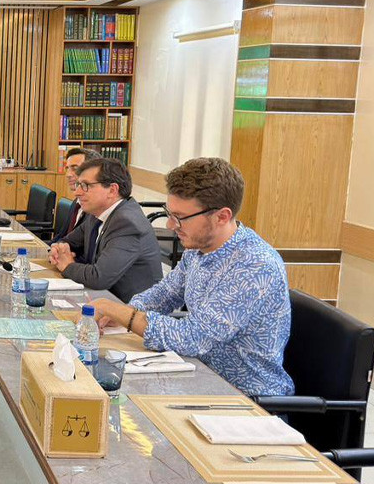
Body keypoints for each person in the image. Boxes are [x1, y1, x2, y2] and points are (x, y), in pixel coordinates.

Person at [90, 158, 294, 397]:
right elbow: (166, 293)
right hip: (200, 377)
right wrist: (127, 311)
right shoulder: (199, 249)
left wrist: (119, 312)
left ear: (221, 216)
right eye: (170, 213)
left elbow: (194, 338)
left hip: (245, 399)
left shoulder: (254, 265)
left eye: (180, 217)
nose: (170, 225)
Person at [48, 157, 162, 302]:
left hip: (130, 308)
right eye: (78, 185)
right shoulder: (96, 214)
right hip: (101, 298)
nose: (77, 192)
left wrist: (67, 265)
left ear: (112, 190)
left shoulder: (127, 223)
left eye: (85, 185)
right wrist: (57, 251)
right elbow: (67, 242)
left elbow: (99, 278)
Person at [53, 147, 101, 242]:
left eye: (75, 169)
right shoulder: (77, 201)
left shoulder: (96, 207)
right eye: (67, 169)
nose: (68, 174)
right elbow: (61, 237)